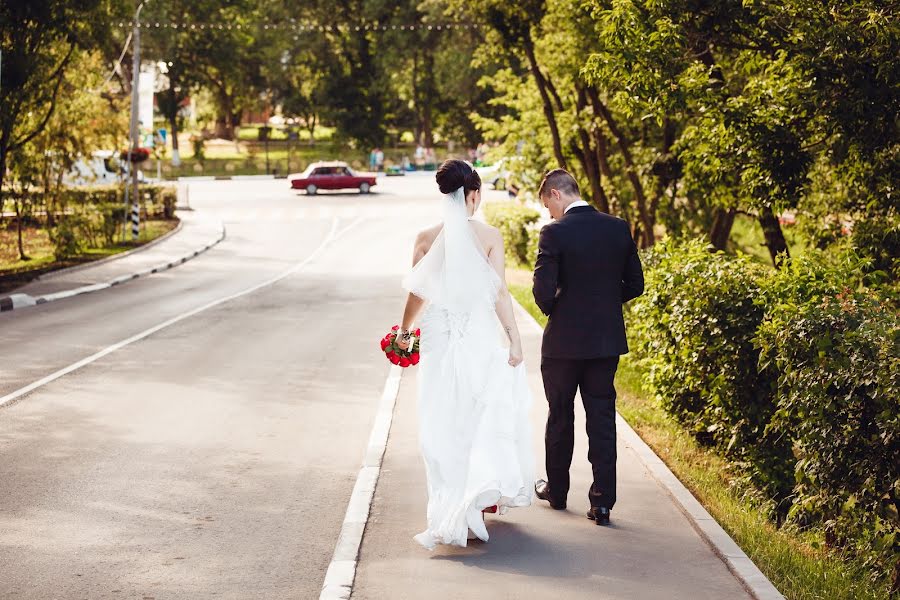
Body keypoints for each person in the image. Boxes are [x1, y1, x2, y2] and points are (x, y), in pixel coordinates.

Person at [396, 159, 534, 550]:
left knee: (440, 419)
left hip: (439, 338)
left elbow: (416, 293)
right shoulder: (490, 236)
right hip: (477, 338)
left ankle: (450, 505)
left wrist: (404, 332)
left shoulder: (424, 237)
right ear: (473, 195)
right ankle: (471, 504)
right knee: (478, 416)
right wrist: (514, 340)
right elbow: (500, 293)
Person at [531, 168, 644, 526]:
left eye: (548, 205)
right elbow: (636, 284)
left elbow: (542, 292)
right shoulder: (617, 227)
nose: (549, 213)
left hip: (563, 343)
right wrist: (606, 302)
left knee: (560, 415)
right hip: (604, 342)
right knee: (601, 419)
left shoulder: (554, 232)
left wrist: (560, 306)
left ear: (554, 195)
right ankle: (602, 503)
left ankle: (558, 492)